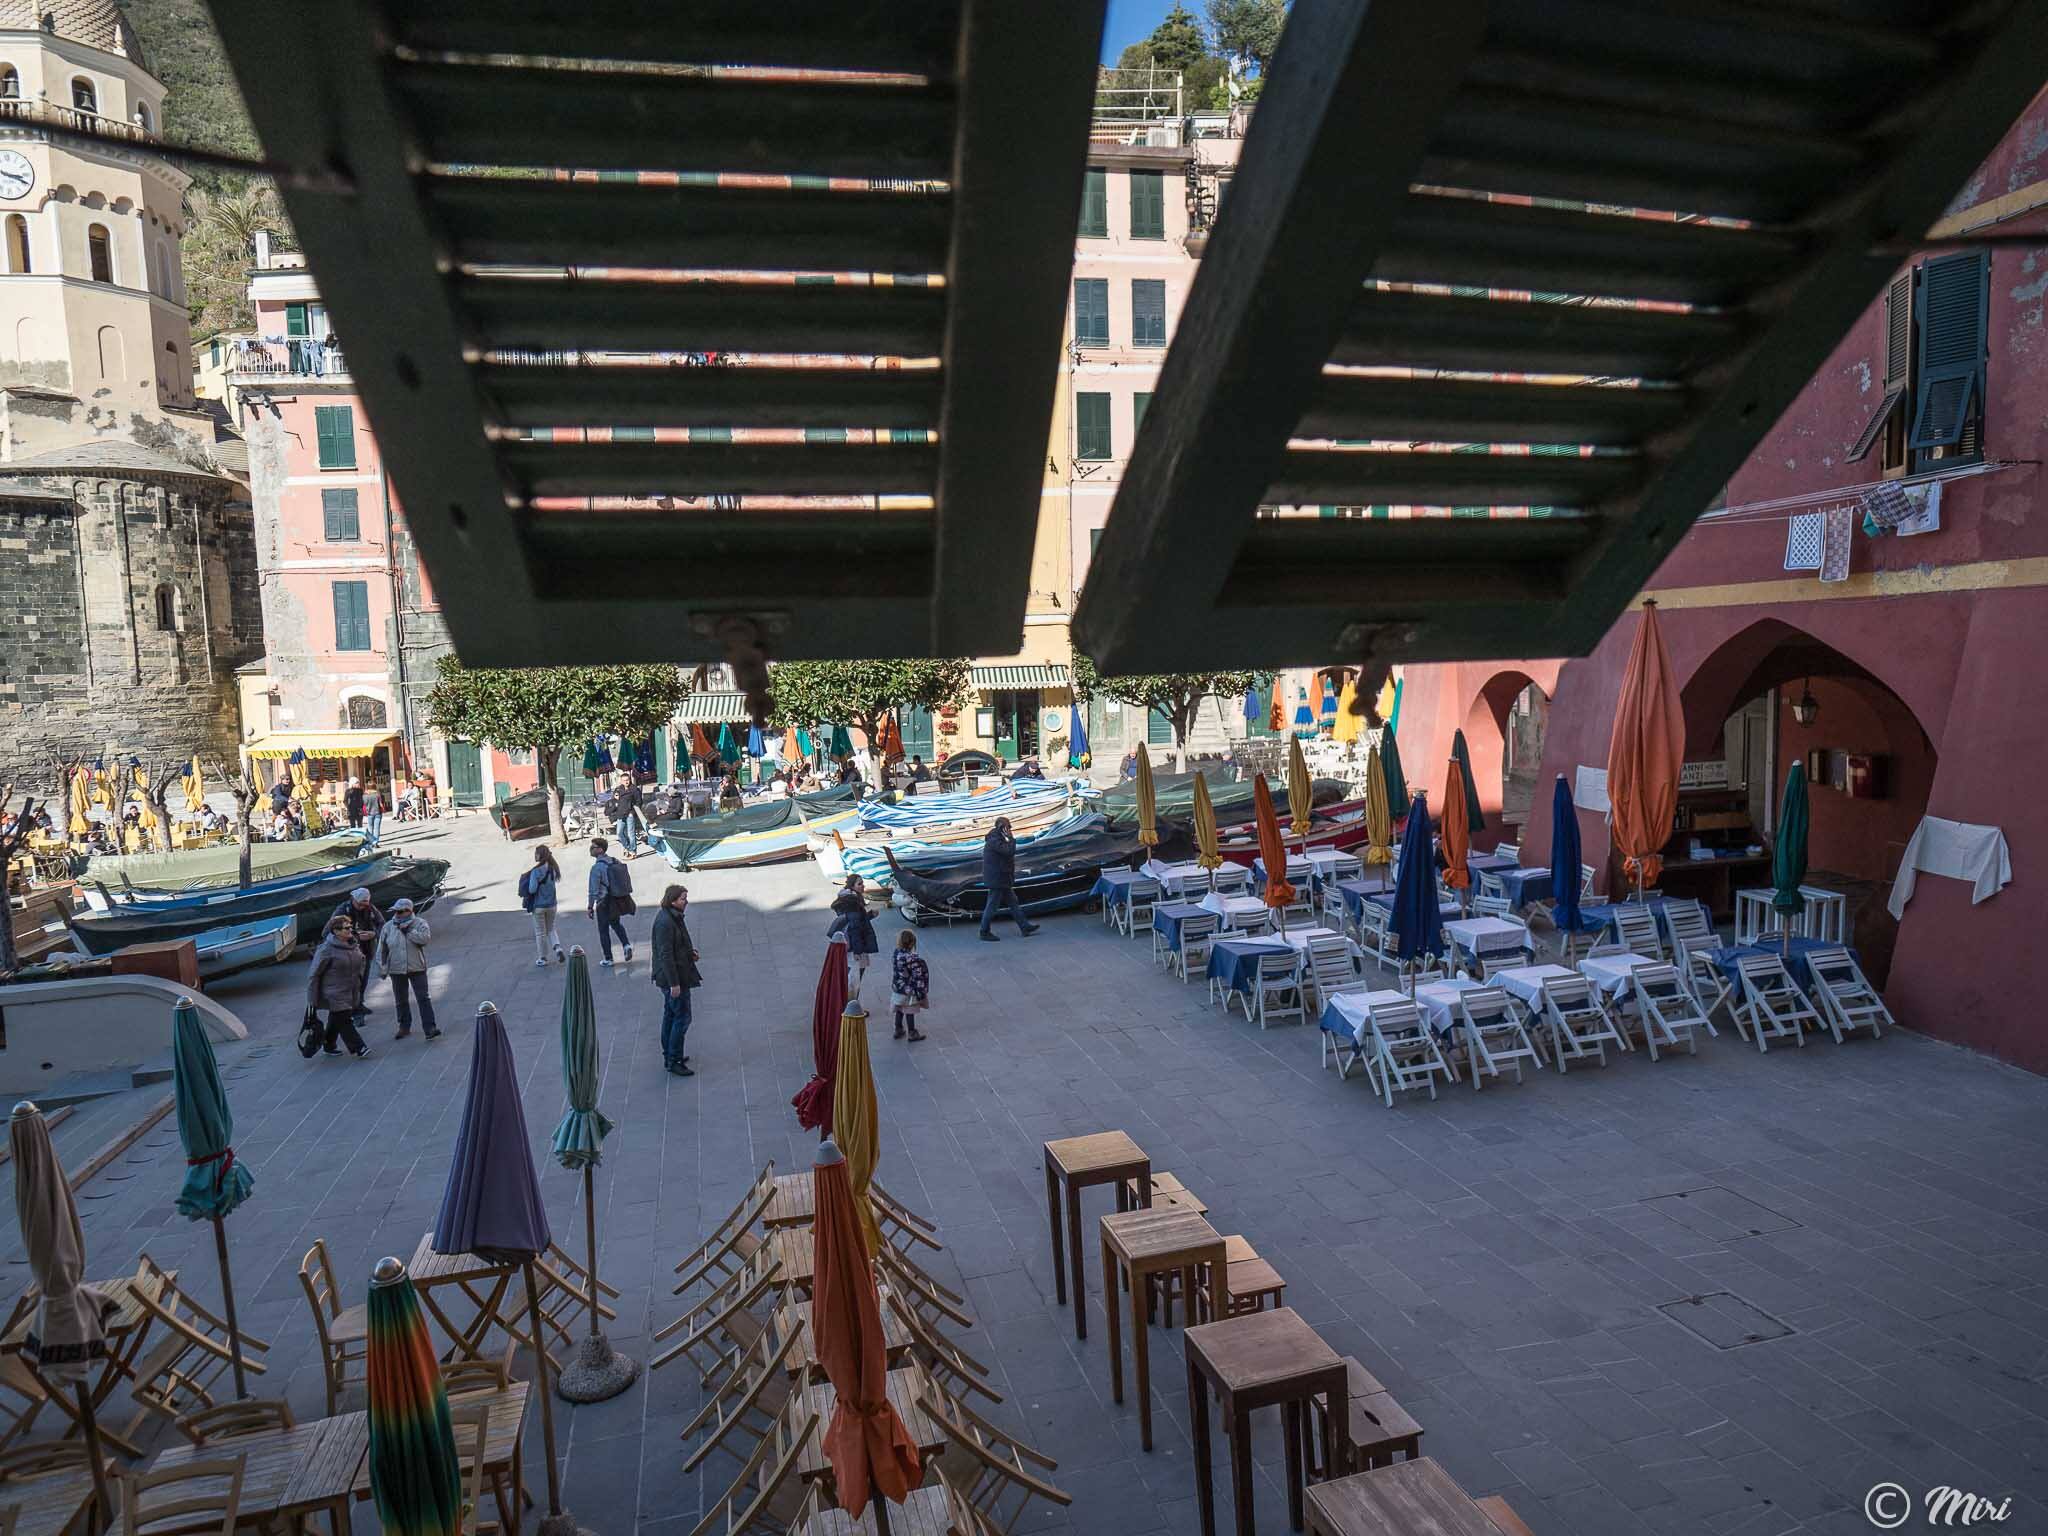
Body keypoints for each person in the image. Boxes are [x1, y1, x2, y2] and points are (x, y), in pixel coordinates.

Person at [650, 884, 702, 1076]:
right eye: (683, 898)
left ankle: (670, 1055)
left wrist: (690, 953)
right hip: (673, 979)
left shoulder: (673, 916)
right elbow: (665, 955)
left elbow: (677, 945)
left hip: (677, 974)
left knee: (671, 1016)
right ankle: (674, 1060)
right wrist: (674, 984)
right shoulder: (665, 922)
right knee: (682, 1018)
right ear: (672, 901)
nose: (686, 901)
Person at [306, 914, 371, 1058]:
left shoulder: (353, 944)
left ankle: (328, 1044)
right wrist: (312, 998)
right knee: (344, 1019)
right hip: (333, 992)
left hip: (350, 989)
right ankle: (359, 1047)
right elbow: (314, 974)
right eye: (346, 928)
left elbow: (361, 962)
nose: (350, 930)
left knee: (336, 1017)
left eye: (350, 927)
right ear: (335, 931)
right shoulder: (326, 949)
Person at [375, 897, 439, 1041]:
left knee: (423, 998)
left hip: (417, 967)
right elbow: (382, 949)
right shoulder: (388, 926)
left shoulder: (420, 923)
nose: (397, 914)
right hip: (396, 969)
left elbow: (425, 939)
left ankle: (430, 1028)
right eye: (395, 911)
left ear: (409, 911)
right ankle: (404, 1026)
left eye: (400, 911)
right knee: (400, 999)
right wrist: (382, 968)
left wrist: (409, 931)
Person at [978, 816, 1038, 941]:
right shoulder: (995, 840)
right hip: (997, 879)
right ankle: (984, 931)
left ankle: (1024, 926)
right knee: (992, 906)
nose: (1010, 829)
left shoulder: (997, 838)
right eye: (1008, 827)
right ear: (1002, 828)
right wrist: (1011, 838)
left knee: (1013, 902)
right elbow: (1009, 851)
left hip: (1002, 878)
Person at [331, 886, 383, 1011]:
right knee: (352, 982)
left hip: (366, 950)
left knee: (363, 980)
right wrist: (356, 936)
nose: (362, 907)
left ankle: (359, 1004)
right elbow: (332, 930)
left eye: (364, 905)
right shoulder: (342, 910)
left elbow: (381, 923)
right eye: (359, 904)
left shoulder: (370, 908)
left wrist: (374, 934)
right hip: (348, 952)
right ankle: (353, 1009)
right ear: (353, 899)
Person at [586, 836, 634, 966]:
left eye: (593, 847)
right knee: (616, 924)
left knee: (603, 930)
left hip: (603, 902)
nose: (590, 849)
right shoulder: (614, 861)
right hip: (616, 899)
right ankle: (626, 945)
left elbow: (593, 891)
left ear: (601, 849)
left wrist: (590, 907)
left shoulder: (596, 868)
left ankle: (608, 958)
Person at [827, 873, 879, 981]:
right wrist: (857, 951)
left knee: (854, 976)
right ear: (852, 886)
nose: (863, 886)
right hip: (855, 946)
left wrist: (869, 915)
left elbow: (857, 921)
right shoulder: (852, 903)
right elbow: (854, 928)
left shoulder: (850, 900)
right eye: (859, 884)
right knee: (854, 978)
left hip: (853, 944)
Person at [520, 845, 566, 966]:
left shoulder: (536, 871)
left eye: (536, 853)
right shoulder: (553, 869)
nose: (535, 855)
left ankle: (543, 958)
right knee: (551, 928)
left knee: (540, 932)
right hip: (552, 904)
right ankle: (558, 948)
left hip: (539, 906)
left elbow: (532, 889)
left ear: (540, 855)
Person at [890, 928, 929, 1042]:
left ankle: (898, 1029)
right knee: (909, 1010)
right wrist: (921, 992)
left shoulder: (896, 954)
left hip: (898, 988)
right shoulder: (913, 959)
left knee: (899, 1008)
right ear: (912, 943)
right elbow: (918, 976)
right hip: (909, 990)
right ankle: (912, 1032)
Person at [608, 776, 645, 856]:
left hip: (630, 814)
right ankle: (628, 847)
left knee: (631, 833)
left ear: (630, 780)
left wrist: (632, 813)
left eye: (627, 780)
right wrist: (616, 799)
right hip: (620, 814)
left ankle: (633, 851)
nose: (626, 782)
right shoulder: (618, 789)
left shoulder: (634, 789)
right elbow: (613, 800)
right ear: (621, 781)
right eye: (624, 780)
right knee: (619, 833)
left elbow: (639, 802)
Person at [362, 781, 384, 846]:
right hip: (378, 813)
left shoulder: (365, 795)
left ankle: (371, 842)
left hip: (369, 813)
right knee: (377, 828)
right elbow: (381, 804)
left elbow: (364, 804)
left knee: (370, 828)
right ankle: (376, 842)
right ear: (375, 787)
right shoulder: (378, 794)